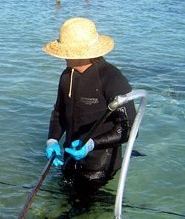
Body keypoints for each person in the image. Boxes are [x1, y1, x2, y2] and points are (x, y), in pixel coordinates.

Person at [42, 17, 137, 187]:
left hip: (99, 168)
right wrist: (52, 140)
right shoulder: (66, 76)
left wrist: (91, 144)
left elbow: (130, 129)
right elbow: (59, 113)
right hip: (69, 160)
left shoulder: (112, 78)